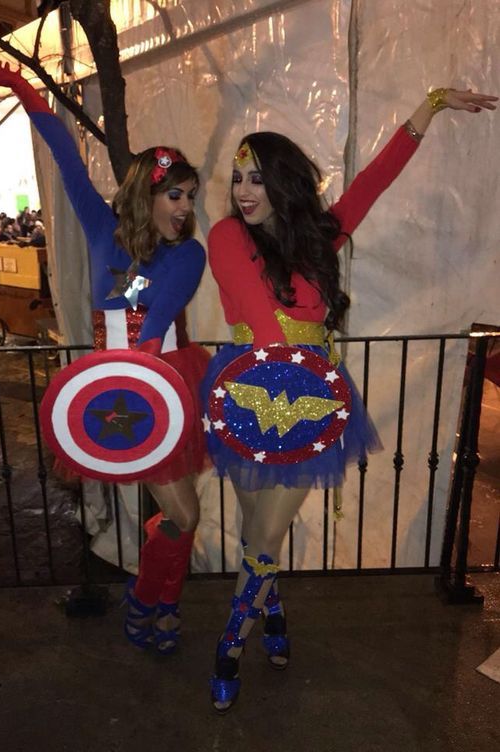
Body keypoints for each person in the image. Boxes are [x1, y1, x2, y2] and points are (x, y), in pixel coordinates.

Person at [202, 85, 497, 712]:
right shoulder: (227, 235)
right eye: (237, 178)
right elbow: (257, 311)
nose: (244, 190)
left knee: (263, 535)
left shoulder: (316, 240)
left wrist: (431, 104)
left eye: (256, 178)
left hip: (309, 399)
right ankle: (272, 617)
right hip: (250, 393)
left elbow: (374, 183)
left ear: (282, 183)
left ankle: (231, 643)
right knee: (260, 530)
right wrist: (290, 375)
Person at [0, 61, 210, 655]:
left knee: (184, 515)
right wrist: (23, 89)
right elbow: (65, 156)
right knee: (184, 516)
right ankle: (154, 603)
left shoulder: (187, 255)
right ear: (148, 193)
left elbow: (159, 319)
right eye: (175, 194)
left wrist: (138, 368)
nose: (186, 207)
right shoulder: (102, 228)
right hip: (116, 387)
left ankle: (151, 602)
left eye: (190, 196)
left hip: (158, 384)